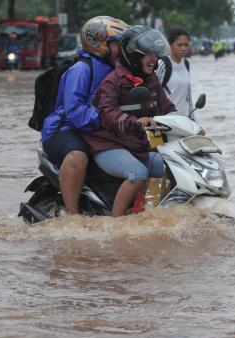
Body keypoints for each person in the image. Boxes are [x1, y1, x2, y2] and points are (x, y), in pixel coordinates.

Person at [81, 25, 176, 217]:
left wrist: (190, 125)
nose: (154, 60)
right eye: (149, 54)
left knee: (175, 166)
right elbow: (108, 114)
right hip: (110, 145)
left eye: (156, 55)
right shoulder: (112, 82)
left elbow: (167, 108)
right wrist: (135, 122)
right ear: (133, 55)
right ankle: (117, 224)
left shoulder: (152, 81)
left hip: (140, 143)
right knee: (138, 173)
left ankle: (157, 212)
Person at [40, 16, 128, 215]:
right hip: (64, 129)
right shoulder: (81, 70)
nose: (123, 51)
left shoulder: (119, 71)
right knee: (77, 156)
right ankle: (73, 215)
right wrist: (110, 118)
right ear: (100, 44)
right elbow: (75, 112)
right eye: (118, 45)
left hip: (98, 129)